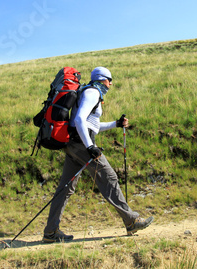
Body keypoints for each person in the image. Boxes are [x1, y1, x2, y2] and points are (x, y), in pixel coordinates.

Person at [43, 66, 154, 242]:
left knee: (65, 188)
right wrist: (89, 147)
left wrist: (115, 124)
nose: (111, 84)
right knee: (109, 178)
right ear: (102, 79)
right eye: (110, 80)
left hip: (73, 144)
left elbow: (91, 124)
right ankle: (131, 221)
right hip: (81, 145)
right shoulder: (93, 93)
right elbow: (79, 119)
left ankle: (50, 232)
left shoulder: (88, 92)